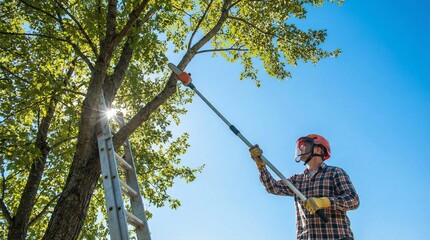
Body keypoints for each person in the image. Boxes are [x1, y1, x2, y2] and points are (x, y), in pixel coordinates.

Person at [250, 134, 359, 240]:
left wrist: (325, 202)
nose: (300, 147)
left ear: (318, 150)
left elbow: (353, 200)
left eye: (305, 144)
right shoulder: (297, 180)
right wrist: (261, 166)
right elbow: (272, 187)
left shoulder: (335, 172)